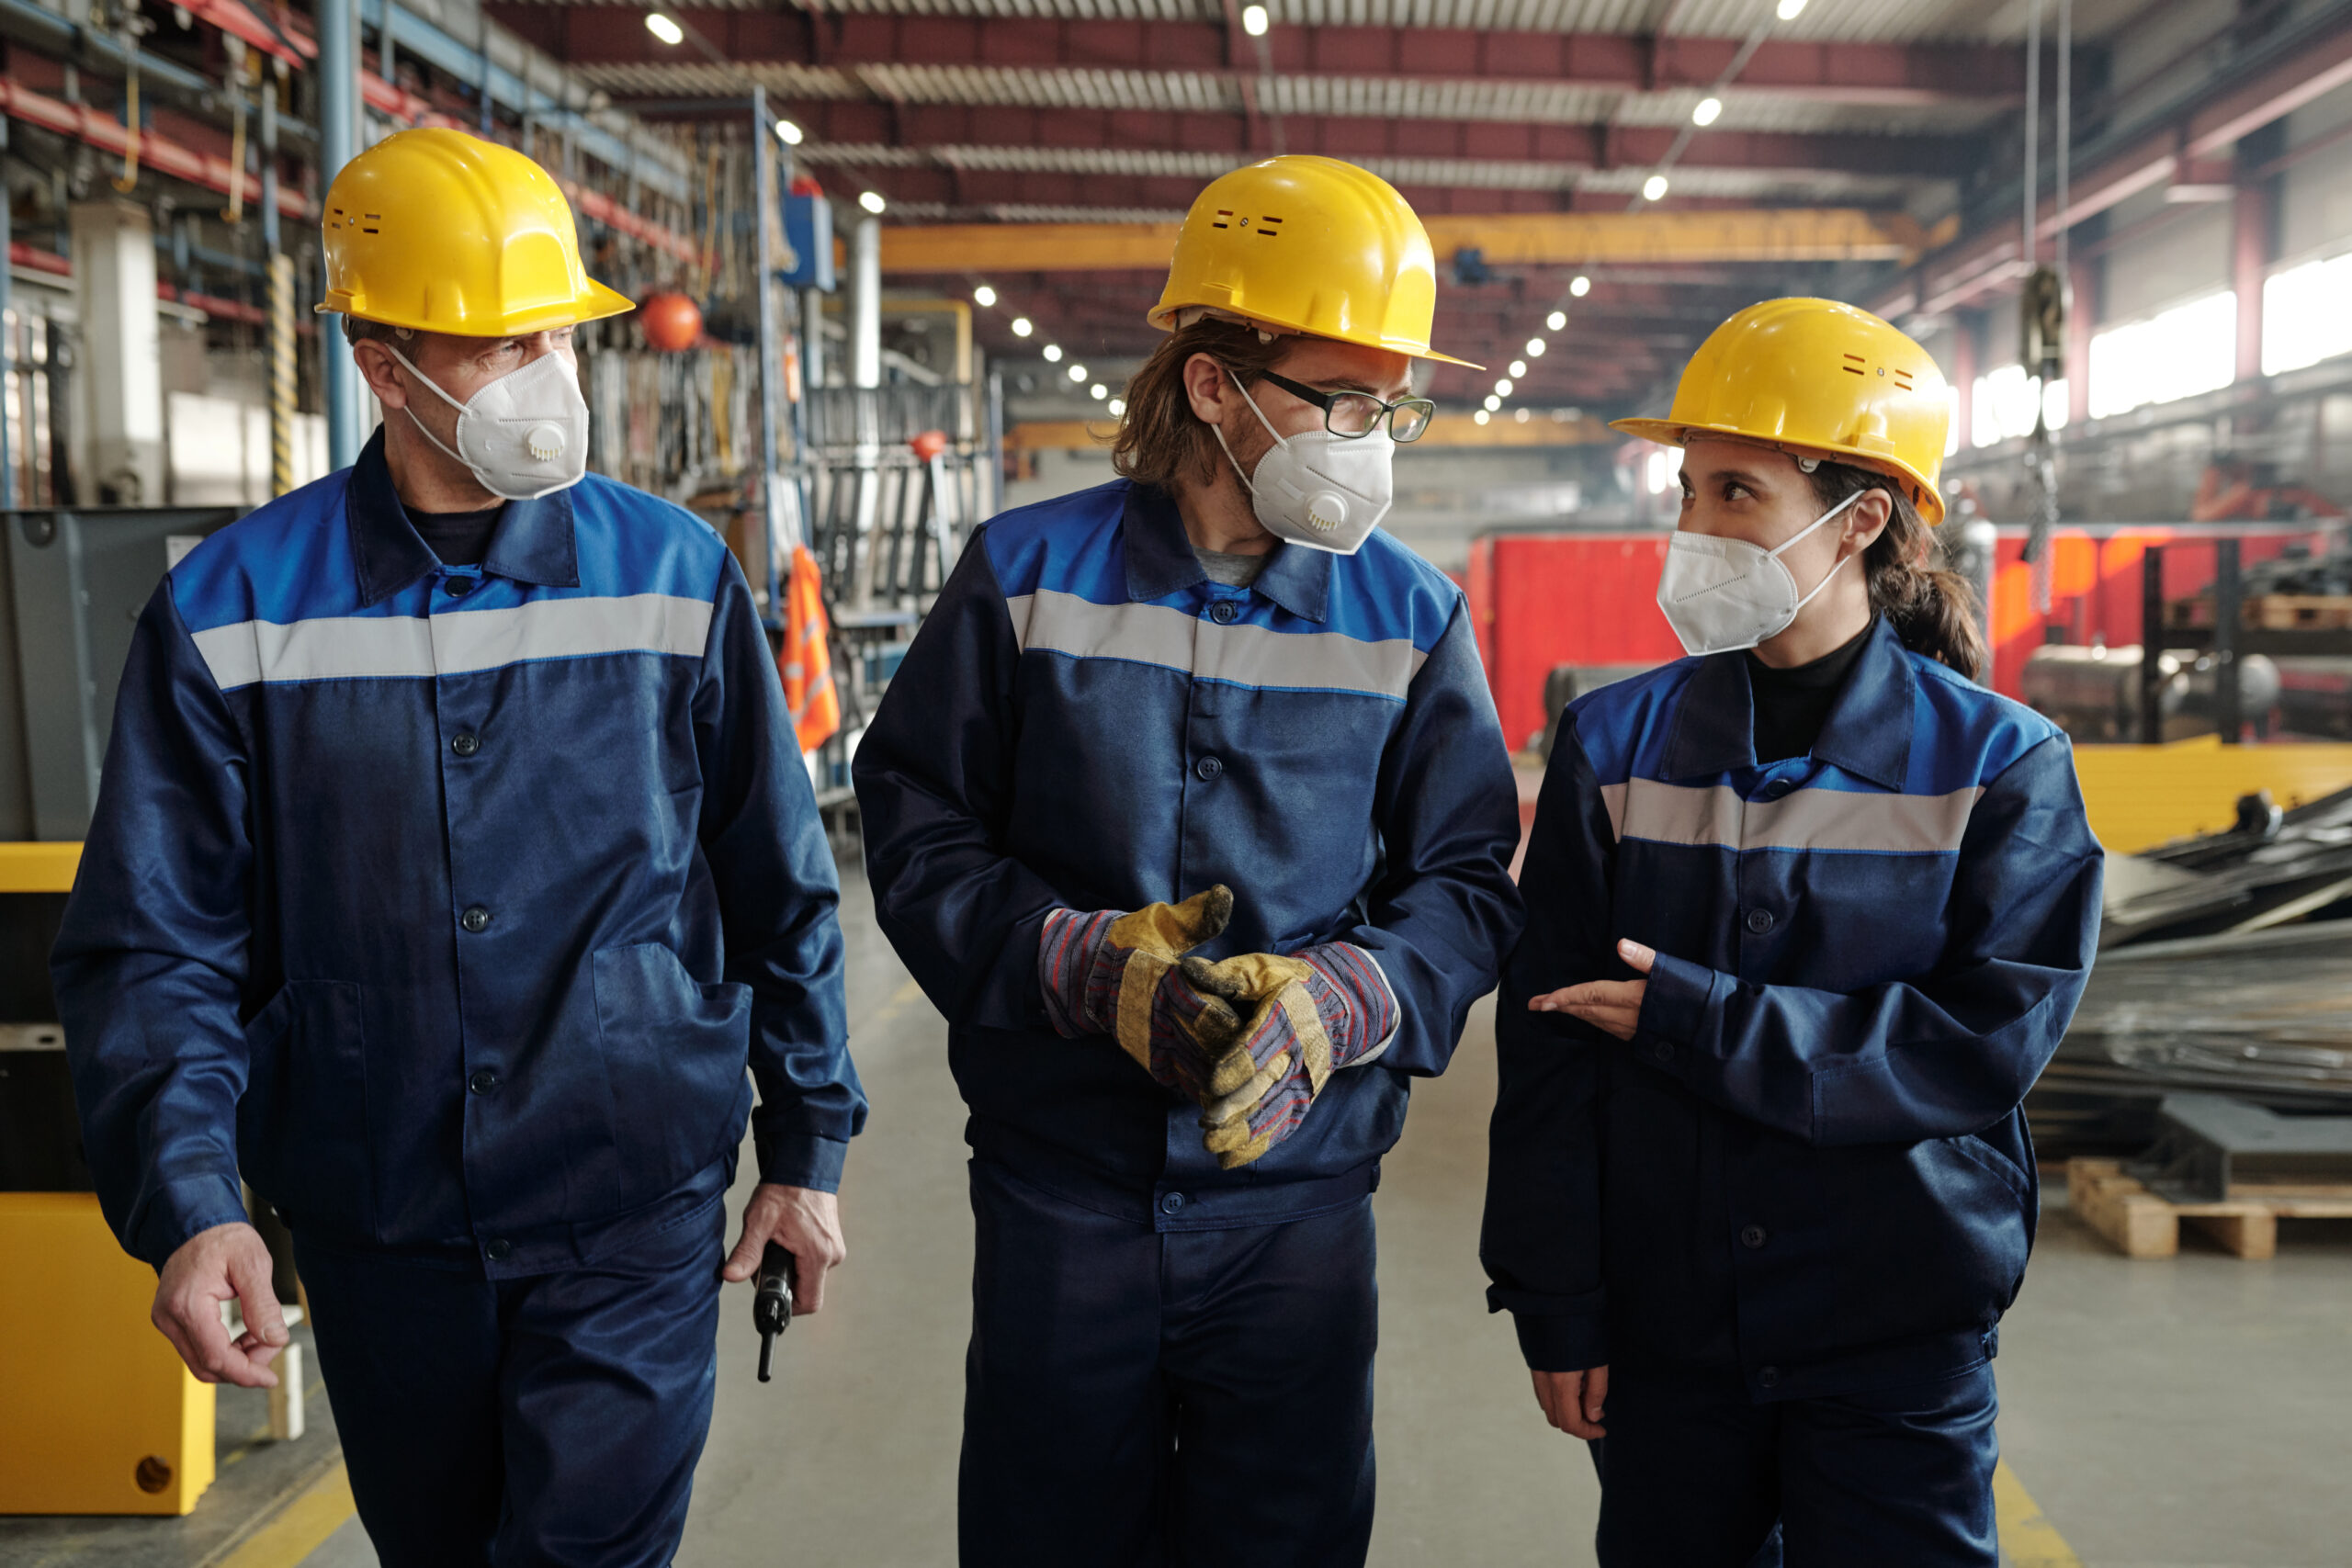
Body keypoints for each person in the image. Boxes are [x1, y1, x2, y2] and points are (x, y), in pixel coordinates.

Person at [54, 128, 864, 1566]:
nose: (546, 377)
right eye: (497, 348)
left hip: (631, 1205)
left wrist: (805, 1144)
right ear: (383, 364)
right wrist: (188, 1200)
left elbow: (774, 883)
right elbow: (156, 941)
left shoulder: (677, 578)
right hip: (381, 1219)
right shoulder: (233, 610)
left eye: (555, 335)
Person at [854, 154, 1523, 1567]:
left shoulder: (1411, 615)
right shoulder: (1026, 577)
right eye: (1336, 401)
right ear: (1213, 384)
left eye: (1386, 404)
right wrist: (1071, 960)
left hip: (1298, 1201)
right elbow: (917, 822)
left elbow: (1467, 883)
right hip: (1061, 1191)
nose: (1369, 436)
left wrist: (1351, 1000)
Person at [1480, 298, 2103, 1567]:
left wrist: (1709, 1023)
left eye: (1734, 494)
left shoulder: (2002, 766)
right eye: (1687, 493)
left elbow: (1977, 1048)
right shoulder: (1615, 744)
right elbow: (1547, 1053)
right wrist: (1556, 1301)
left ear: (1860, 517)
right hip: (1667, 1331)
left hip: (1894, 1325)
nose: (1693, 529)